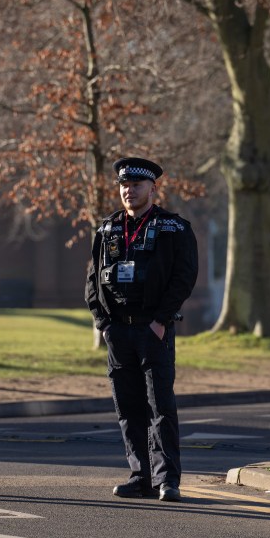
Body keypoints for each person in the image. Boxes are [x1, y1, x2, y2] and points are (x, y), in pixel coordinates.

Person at [85, 156, 198, 502]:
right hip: (118, 331)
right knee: (128, 408)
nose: (128, 191)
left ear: (152, 188)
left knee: (160, 406)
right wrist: (103, 324)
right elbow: (92, 280)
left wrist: (161, 320)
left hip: (154, 330)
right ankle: (140, 475)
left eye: (136, 185)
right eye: (124, 185)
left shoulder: (173, 228)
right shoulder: (108, 229)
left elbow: (184, 277)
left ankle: (167, 480)